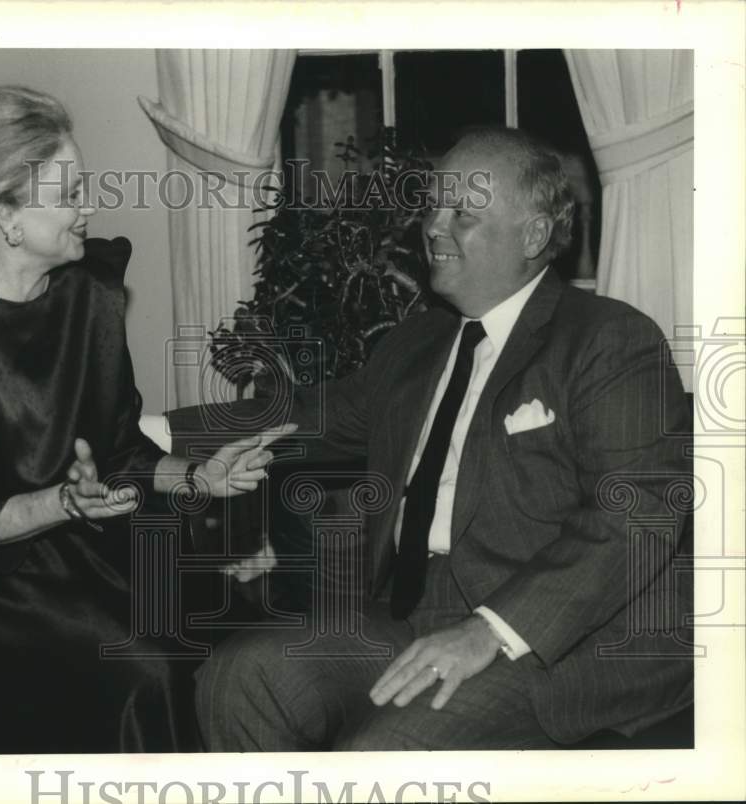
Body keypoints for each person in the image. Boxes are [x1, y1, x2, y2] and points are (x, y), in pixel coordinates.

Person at [194, 127, 693, 750]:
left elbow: (638, 514)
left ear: (535, 236)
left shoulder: (608, 340)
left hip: (558, 642)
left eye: (464, 213)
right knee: (241, 678)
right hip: (415, 617)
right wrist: (138, 431)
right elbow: (300, 415)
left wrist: (489, 630)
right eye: (433, 206)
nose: (434, 226)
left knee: (383, 754)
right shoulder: (416, 344)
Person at [0, 85, 290, 754]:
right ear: (6, 213)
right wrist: (62, 502)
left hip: (90, 545)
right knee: (146, 672)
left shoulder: (89, 295)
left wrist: (202, 477)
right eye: (70, 194)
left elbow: (123, 454)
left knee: (237, 637)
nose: (90, 208)